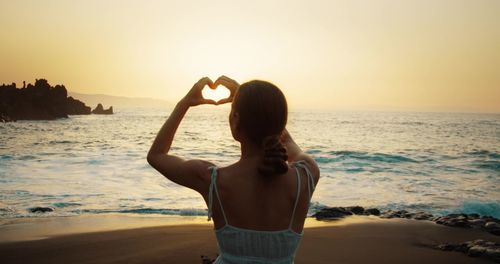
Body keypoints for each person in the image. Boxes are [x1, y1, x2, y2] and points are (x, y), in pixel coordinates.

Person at [147, 76, 320, 263]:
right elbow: (284, 138)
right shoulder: (306, 175)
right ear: (281, 123)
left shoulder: (212, 179)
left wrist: (185, 103)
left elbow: (156, 155)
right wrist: (249, 99)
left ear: (235, 120)